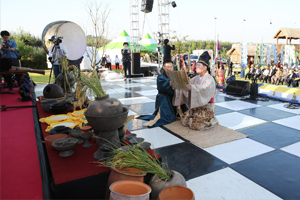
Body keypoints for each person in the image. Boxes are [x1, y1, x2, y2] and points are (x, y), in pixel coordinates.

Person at [173, 51, 218, 131]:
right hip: (197, 106)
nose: (195, 67)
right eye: (196, 65)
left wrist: (192, 88)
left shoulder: (209, 79)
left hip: (207, 107)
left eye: (198, 65)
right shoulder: (195, 78)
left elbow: (204, 88)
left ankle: (212, 119)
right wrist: (179, 83)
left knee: (197, 124)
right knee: (184, 119)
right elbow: (187, 84)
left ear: (205, 67)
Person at [140, 60, 187, 127]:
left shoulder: (174, 75)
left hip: (173, 97)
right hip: (164, 99)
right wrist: (170, 83)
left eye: (171, 66)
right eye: (168, 67)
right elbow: (166, 83)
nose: (170, 68)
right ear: (164, 67)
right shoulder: (160, 77)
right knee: (169, 117)